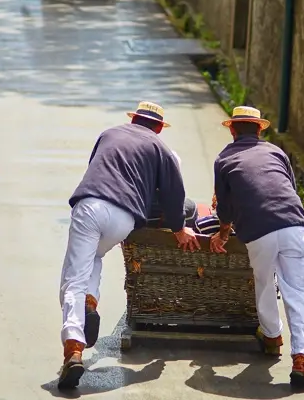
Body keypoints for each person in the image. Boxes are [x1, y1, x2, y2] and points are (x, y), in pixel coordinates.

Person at [58, 101, 200, 390]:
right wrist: (178, 228)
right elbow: (175, 195)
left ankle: (74, 348)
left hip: (92, 205)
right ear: (159, 128)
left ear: (134, 119)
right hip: (124, 218)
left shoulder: (108, 134)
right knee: (95, 256)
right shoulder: (163, 150)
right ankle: (89, 302)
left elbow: (95, 170)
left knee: (75, 276)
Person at [208, 106, 304, 389]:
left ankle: (271, 337)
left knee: (265, 283)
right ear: (259, 129)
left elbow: (225, 207)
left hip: (259, 231)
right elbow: (288, 187)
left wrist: (222, 233)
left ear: (232, 129)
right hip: (295, 226)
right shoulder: (277, 152)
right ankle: (302, 358)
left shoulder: (224, 159)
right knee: (298, 293)